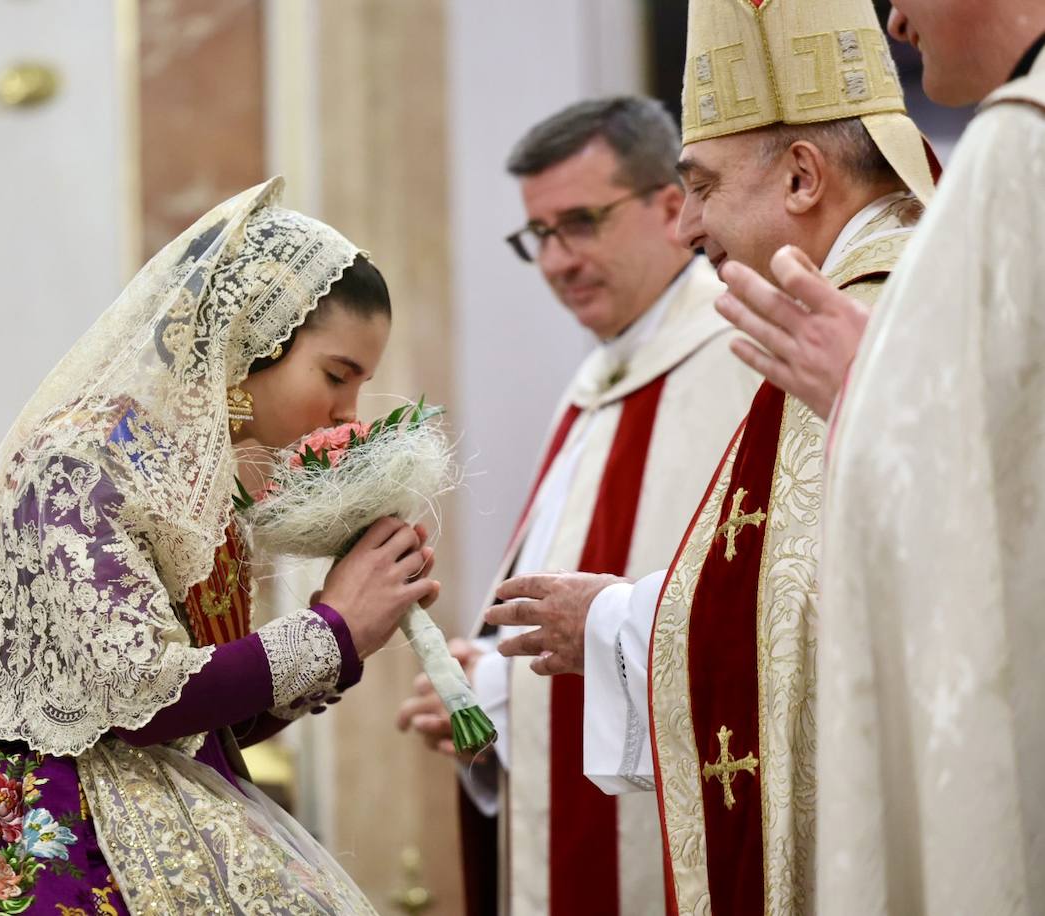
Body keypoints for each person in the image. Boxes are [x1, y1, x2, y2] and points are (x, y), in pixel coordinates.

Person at [0, 178, 439, 915]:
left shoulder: (203, 483)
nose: (346, 411)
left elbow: (212, 714)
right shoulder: (80, 462)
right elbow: (137, 694)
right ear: (249, 340)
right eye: (337, 376)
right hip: (54, 818)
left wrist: (347, 635)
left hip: (176, 796)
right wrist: (329, 630)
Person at [490, 0, 938, 912]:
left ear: (804, 178)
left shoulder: (851, 315)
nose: (689, 225)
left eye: (700, 185)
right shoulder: (843, 302)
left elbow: (816, 619)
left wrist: (616, 623)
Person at [714, 1, 1045, 911]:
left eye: (700, 186)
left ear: (803, 178)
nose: (897, 15)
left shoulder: (1021, 148)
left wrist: (879, 398)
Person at [395, 97, 758, 916]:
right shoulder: (600, 376)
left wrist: (501, 694)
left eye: (581, 223)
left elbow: (734, 616)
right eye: (539, 236)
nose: (557, 261)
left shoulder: (740, 355)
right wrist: (486, 688)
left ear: (673, 206)